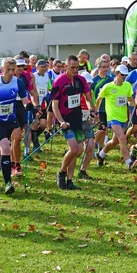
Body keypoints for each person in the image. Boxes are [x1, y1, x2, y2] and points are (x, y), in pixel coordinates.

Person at [0, 58, 37, 194]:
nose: (11, 73)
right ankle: (8, 183)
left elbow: (24, 100)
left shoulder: (18, 82)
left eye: (13, 70)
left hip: (9, 121)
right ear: (2, 70)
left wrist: (29, 106)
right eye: (8, 70)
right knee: (6, 148)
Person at [51, 55, 97, 190]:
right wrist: (60, 121)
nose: (75, 70)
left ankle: (70, 181)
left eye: (77, 68)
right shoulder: (58, 82)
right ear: (66, 67)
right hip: (65, 120)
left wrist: (91, 109)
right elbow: (54, 105)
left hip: (77, 119)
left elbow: (88, 98)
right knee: (74, 149)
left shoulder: (81, 80)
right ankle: (61, 172)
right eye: (72, 67)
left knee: (78, 150)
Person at [95, 64, 136, 169]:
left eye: (125, 75)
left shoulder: (127, 85)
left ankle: (101, 155)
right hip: (112, 117)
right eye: (122, 75)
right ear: (116, 73)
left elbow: (130, 100)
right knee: (122, 139)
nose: (124, 77)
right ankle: (129, 163)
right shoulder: (108, 87)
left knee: (115, 141)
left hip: (123, 117)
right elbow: (99, 99)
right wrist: (96, 112)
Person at [92, 59, 114, 152]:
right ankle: (94, 145)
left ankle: (99, 148)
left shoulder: (111, 80)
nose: (105, 69)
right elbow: (91, 94)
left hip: (108, 108)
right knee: (102, 128)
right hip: (99, 108)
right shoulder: (94, 80)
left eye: (107, 66)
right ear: (99, 68)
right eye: (103, 67)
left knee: (105, 130)